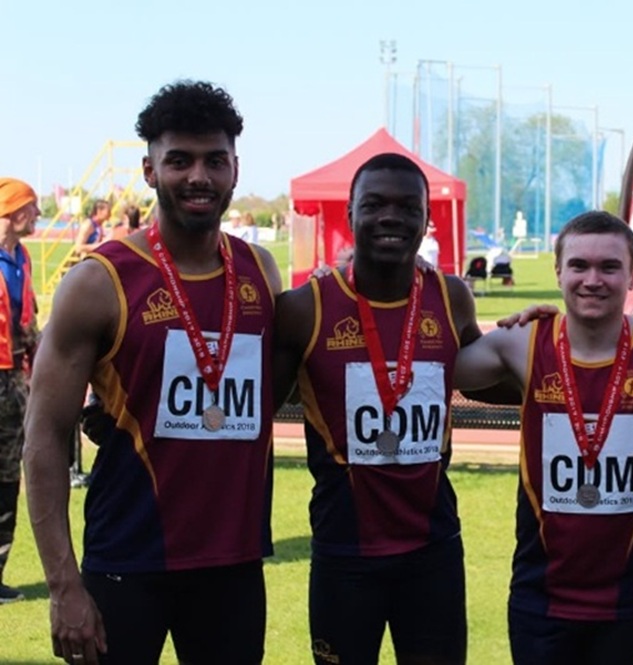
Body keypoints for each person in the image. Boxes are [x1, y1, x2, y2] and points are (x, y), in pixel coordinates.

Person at [24, 80, 282, 665]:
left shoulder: (261, 272)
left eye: (215, 160)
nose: (199, 177)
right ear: (149, 170)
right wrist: (63, 586)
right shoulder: (98, 282)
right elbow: (43, 439)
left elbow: (287, 376)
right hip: (128, 560)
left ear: (235, 170)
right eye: (179, 160)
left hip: (233, 566)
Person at [275, 152, 510, 665]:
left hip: (432, 549)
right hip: (344, 552)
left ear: (426, 220)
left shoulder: (451, 297)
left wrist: (542, 352)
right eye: (374, 204)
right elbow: (252, 401)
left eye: (408, 207)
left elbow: (482, 378)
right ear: (351, 214)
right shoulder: (305, 307)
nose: (391, 217)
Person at [451, 211, 633, 665]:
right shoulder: (521, 344)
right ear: (558, 272)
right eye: (579, 266)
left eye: (609, 267)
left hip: (624, 596)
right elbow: (436, 365)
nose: (593, 280)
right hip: (540, 593)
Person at [0, 177, 40, 605]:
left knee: (8, 477)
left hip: (13, 381)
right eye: (32, 207)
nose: (38, 215)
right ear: (13, 210)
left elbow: (27, 317)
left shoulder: (22, 257)